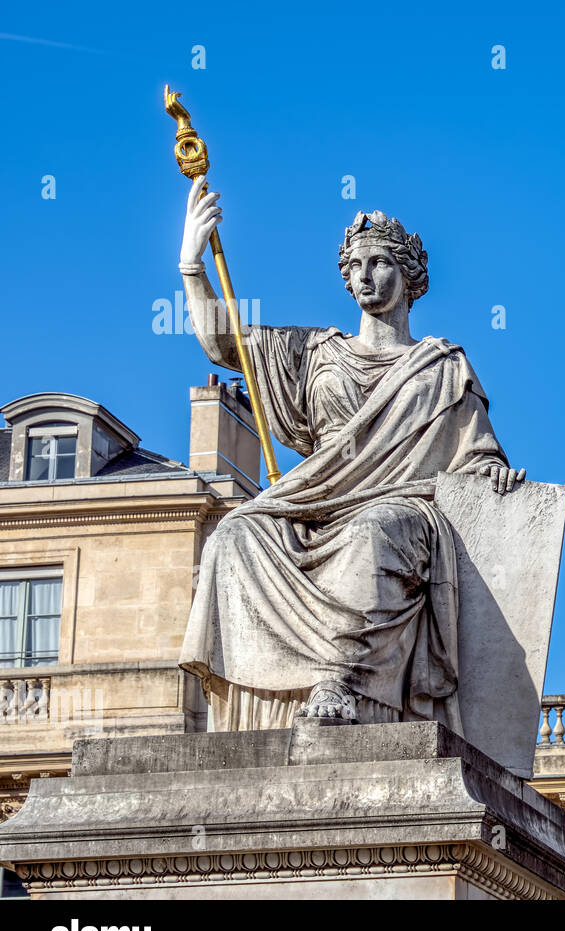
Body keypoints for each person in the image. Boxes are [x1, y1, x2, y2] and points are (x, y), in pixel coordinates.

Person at [176, 175, 523, 730]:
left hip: (399, 505)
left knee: (373, 532)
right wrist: (192, 266)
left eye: (380, 262)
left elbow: (477, 455)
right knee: (235, 535)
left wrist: (495, 476)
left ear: (409, 278)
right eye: (355, 265)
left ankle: (339, 678)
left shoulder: (441, 366)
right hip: (314, 500)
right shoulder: (315, 350)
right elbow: (225, 343)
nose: (365, 274)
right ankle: (252, 705)